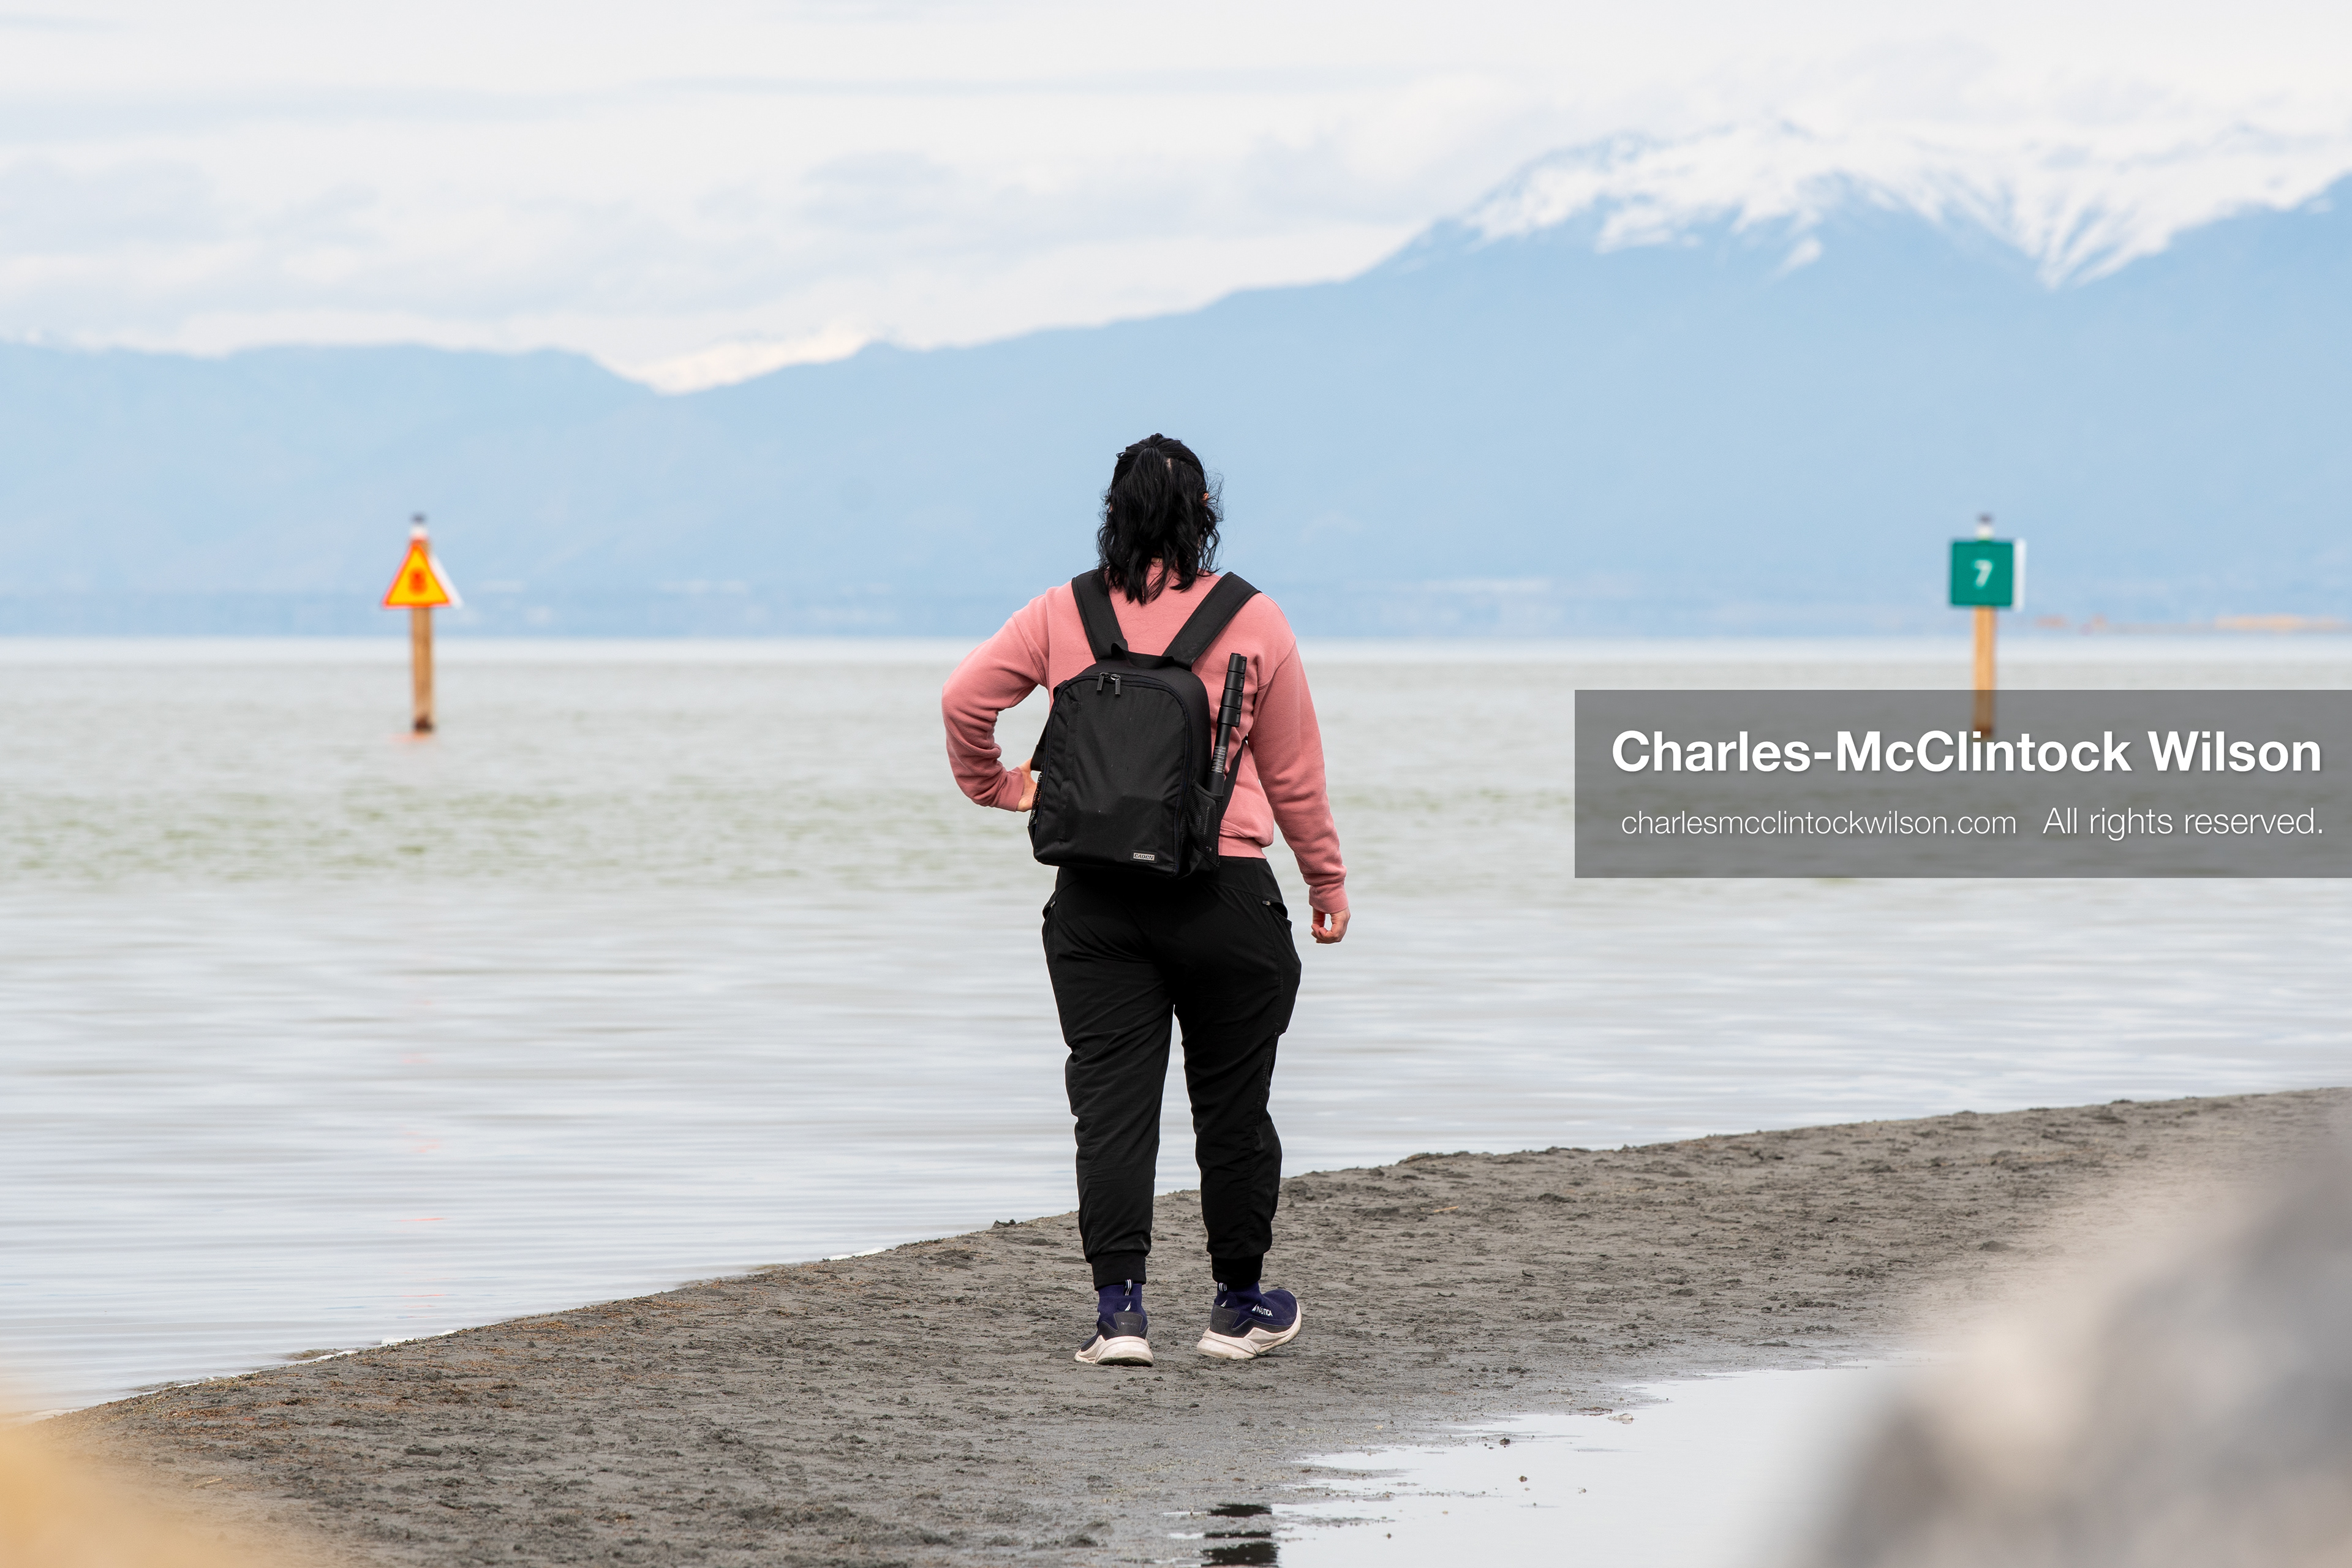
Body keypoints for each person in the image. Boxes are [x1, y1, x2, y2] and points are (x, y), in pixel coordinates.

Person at [940, 433, 1349, 1368]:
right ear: (1205, 516)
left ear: (1113, 515)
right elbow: (1293, 777)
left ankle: (1120, 1316)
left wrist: (1001, 787)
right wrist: (1325, 882)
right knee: (1233, 1109)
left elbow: (964, 700)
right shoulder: (1255, 619)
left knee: (1112, 1111)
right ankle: (1238, 1308)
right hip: (1225, 896)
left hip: (1094, 902)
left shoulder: (1061, 612)